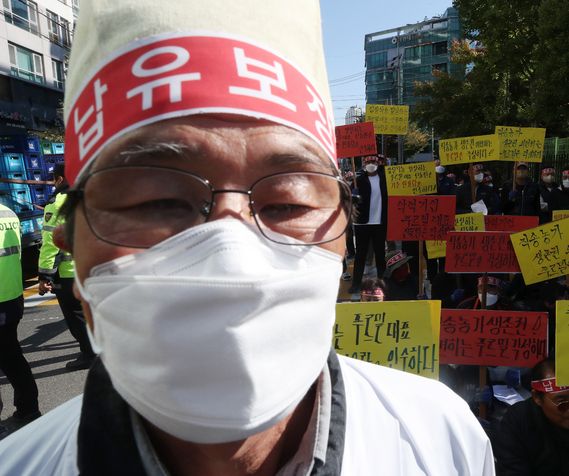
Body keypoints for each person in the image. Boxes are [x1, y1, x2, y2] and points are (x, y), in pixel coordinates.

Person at [0, 2, 494, 474]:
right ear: (69, 241)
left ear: (344, 231)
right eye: (156, 201)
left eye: (288, 204)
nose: (231, 256)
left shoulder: (443, 443)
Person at [38, 163, 96, 370]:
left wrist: (44, 276)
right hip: (93, 269)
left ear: (60, 179)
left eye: (54, 178)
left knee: (76, 317)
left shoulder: (57, 203)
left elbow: (50, 244)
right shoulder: (91, 197)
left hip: (69, 273)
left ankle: (90, 356)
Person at [0, 204, 40, 429]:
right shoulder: (8, 212)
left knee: (9, 355)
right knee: (11, 355)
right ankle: (28, 408)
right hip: (12, 296)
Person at [348, 155, 388, 294]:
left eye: (373, 162)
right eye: (368, 162)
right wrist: (354, 197)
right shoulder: (357, 181)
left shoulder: (385, 180)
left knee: (380, 255)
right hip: (362, 224)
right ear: (365, 164)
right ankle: (356, 283)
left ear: (378, 164)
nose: (371, 164)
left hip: (379, 223)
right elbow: (351, 203)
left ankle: (383, 282)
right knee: (360, 255)